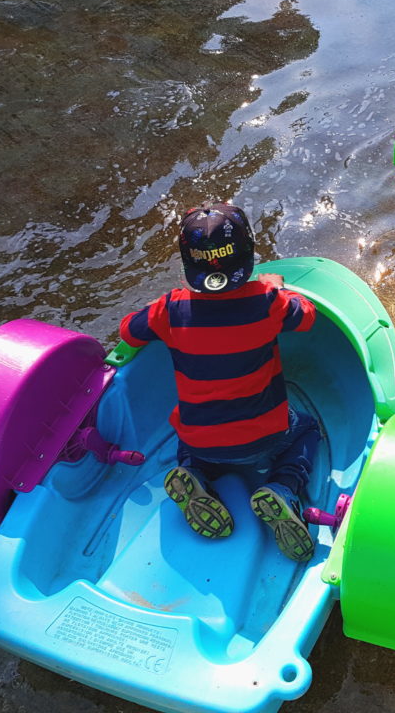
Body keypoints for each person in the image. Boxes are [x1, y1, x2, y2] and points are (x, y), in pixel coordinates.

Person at [119, 202, 319, 562]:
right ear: (248, 254)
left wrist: (159, 305)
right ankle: (283, 488)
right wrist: (278, 287)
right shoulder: (267, 302)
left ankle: (193, 472)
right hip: (267, 437)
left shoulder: (170, 309)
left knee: (191, 437)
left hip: (202, 441)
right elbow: (306, 317)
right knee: (305, 429)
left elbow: (128, 332)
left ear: (187, 264)